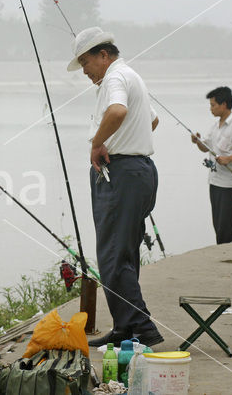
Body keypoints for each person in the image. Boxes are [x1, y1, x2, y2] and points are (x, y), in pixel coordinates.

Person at [67, 27, 163, 348]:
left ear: (103, 55)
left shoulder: (114, 79)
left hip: (121, 174)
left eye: (86, 63)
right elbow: (152, 120)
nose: (84, 71)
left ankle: (141, 327)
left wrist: (99, 142)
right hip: (141, 172)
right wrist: (127, 139)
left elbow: (119, 111)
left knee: (111, 256)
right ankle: (125, 326)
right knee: (125, 253)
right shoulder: (131, 75)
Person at [191, 86, 232, 244]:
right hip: (214, 181)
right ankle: (222, 253)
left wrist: (229, 159)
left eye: (213, 105)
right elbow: (205, 147)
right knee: (217, 224)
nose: (210, 109)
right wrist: (197, 141)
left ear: (224, 104)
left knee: (225, 225)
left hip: (230, 184)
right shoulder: (215, 126)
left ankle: (226, 255)